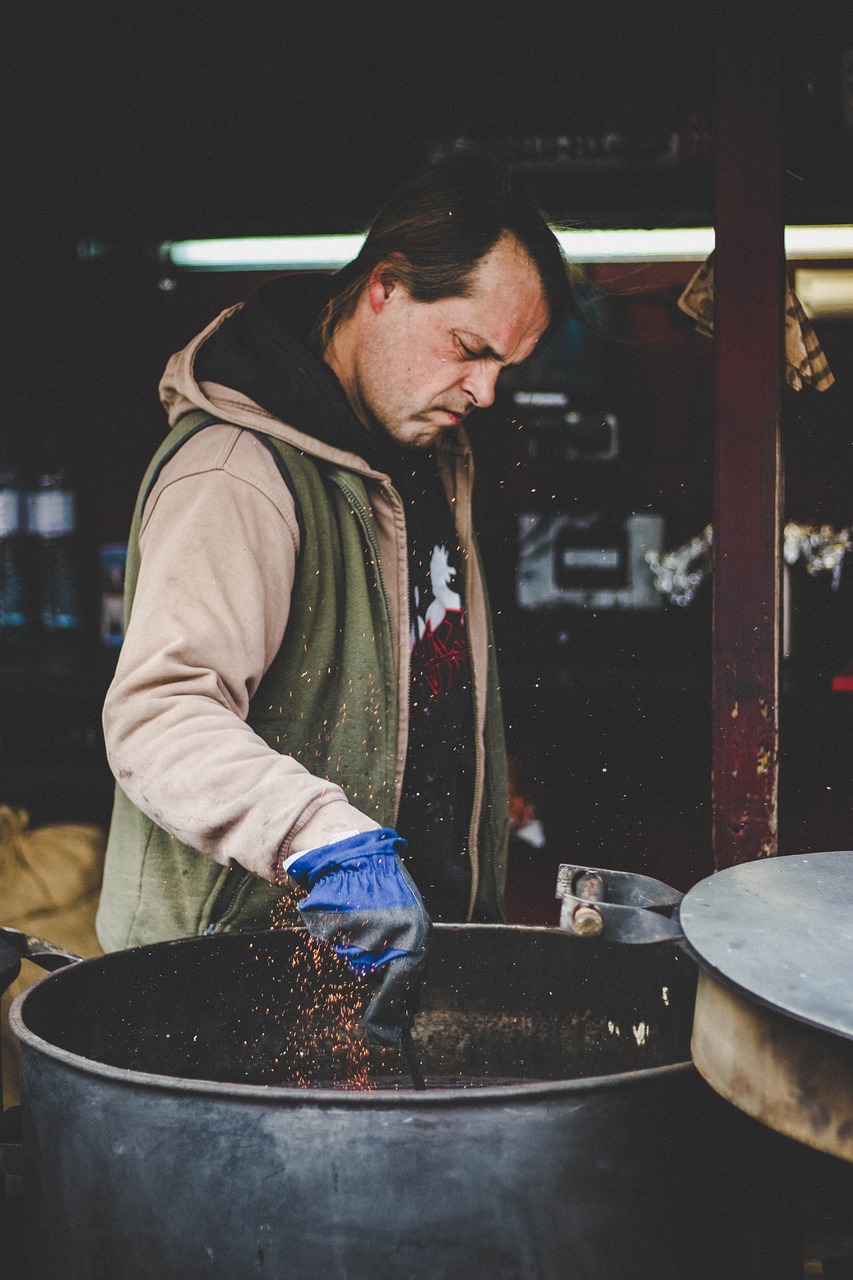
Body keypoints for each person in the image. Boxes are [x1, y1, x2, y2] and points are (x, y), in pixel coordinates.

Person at [96, 152, 574, 1041]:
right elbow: (159, 717)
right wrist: (321, 835)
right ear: (384, 290)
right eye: (470, 350)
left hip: (387, 975)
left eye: (507, 364)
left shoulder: (426, 457)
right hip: (230, 997)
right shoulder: (236, 471)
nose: (486, 391)